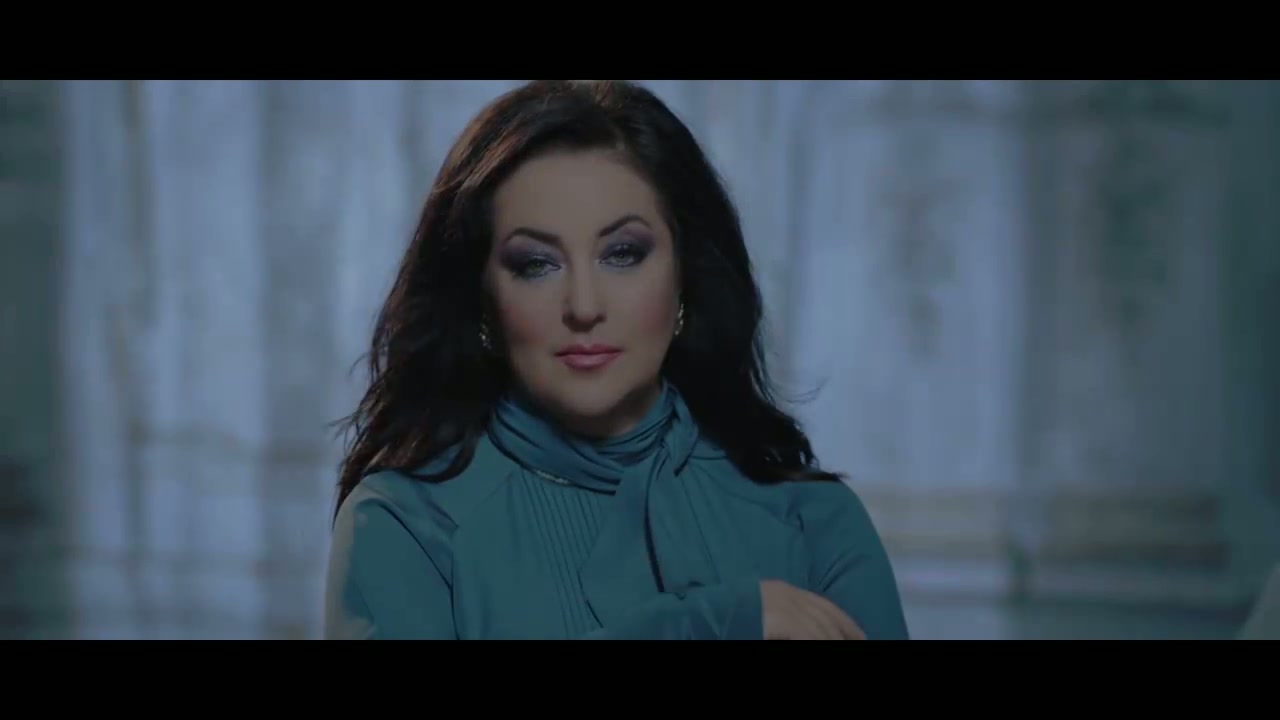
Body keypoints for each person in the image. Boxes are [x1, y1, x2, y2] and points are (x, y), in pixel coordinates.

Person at [323, 79, 910, 640]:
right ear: (482, 302)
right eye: (536, 264)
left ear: (685, 279)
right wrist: (707, 625)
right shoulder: (404, 524)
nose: (584, 306)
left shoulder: (811, 521)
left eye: (622, 254)